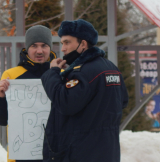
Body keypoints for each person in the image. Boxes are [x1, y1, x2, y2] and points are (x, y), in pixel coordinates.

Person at [41, 19, 128, 162]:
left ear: (83, 43)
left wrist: (52, 73)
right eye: (62, 43)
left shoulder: (83, 72)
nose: (63, 48)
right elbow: (123, 101)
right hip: (108, 151)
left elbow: (65, 102)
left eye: (67, 42)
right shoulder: (112, 68)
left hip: (82, 152)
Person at [0, 25, 56, 162]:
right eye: (34, 46)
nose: (39, 51)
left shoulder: (60, 75)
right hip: (20, 156)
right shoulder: (11, 75)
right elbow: (0, 120)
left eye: (44, 45)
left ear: (50, 48)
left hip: (55, 155)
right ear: (27, 49)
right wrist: (0, 97)